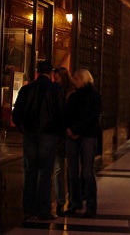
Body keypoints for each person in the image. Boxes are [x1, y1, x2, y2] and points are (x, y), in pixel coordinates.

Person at [12, 61, 66, 221]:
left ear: (37, 72)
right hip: (48, 135)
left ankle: (28, 208)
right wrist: (59, 134)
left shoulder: (26, 89)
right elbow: (61, 113)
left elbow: (16, 115)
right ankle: (43, 210)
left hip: (30, 134)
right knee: (45, 173)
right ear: (50, 72)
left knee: (30, 172)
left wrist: (24, 128)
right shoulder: (55, 89)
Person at [64, 69, 101, 218]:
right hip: (73, 135)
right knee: (72, 171)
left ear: (85, 79)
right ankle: (74, 202)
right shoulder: (73, 96)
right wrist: (69, 129)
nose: (75, 82)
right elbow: (67, 114)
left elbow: (91, 116)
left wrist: (76, 130)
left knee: (87, 172)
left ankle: (91, 206)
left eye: (77, 79)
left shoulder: (93, 96)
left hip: (87, 135)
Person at [52, 67, 75, 216]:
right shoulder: (56, 92)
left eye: (57, 78)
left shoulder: (69, 94)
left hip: (67, 134)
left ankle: (70, 199)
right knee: (60, 169)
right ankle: (61, 200)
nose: (55, 81)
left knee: (66, 169)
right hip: (60, 135)